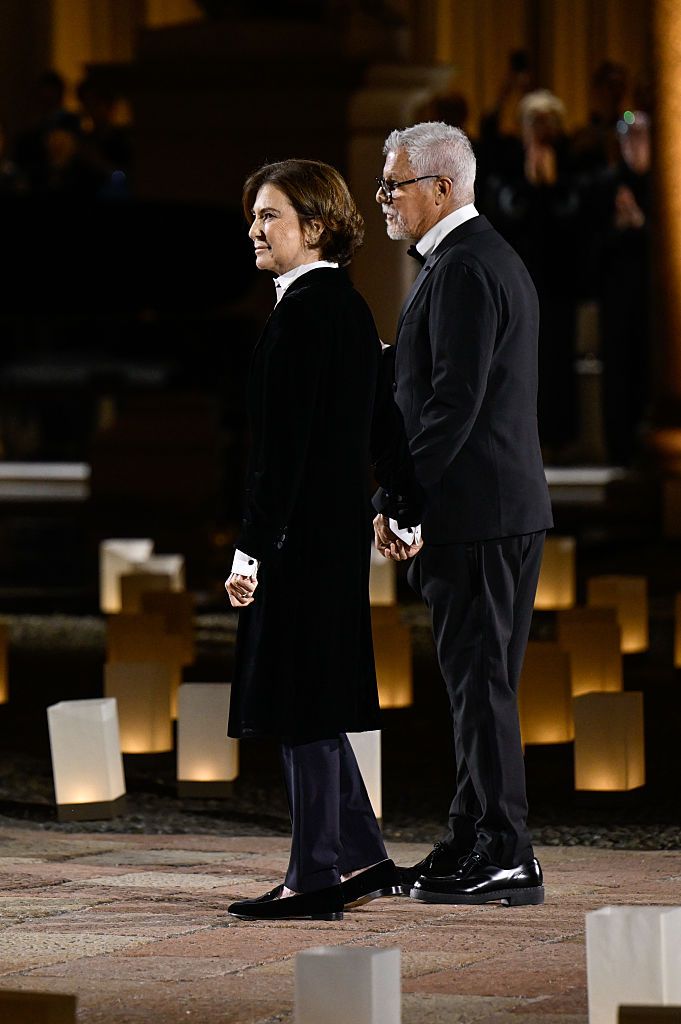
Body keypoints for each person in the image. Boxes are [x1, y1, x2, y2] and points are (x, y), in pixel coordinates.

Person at [373, 121, 553, 906]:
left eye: (394, 185)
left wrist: (401, 498)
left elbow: (451, 405)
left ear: (440, 189)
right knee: (474, 688)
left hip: (478, 513)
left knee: (481, 688)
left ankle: (505, 851)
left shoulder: (464, 268)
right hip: (487, 511)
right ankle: (470, 837)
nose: (383, 199)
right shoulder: (469, 261)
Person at [224, 158, 403, 922]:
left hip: (297, 540)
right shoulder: (349, 306)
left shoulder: (302, 314)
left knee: (298, 698)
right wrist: (399, 503)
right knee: (316, 694)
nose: (255, 230)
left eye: (270, 216)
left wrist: (251, 549)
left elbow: (280, 452)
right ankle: (359, 854)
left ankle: (314, 876)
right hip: (331, 534)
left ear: (316, 225)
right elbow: (382, 420)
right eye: (254, 216)